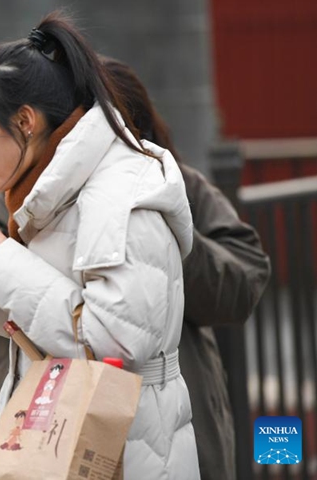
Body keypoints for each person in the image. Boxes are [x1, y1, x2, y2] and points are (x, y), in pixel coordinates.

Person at [0, 11, 199, 479]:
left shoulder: (120, 194)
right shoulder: (52, 186)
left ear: (25, 121)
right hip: (63, 431)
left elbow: (113, 341)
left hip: (128, 448)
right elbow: (19, 321)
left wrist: (5, 261)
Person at [103, 57, 271, 480]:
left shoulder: (178, 188)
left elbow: (244, 284)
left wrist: (166, 240)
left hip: (180, 420)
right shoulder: (10, 207)